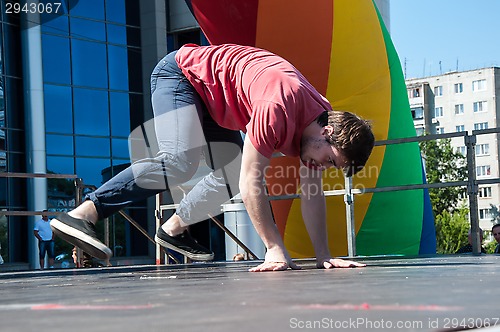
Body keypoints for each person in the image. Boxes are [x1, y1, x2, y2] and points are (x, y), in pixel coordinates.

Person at [50, 44, 375, 272]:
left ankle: (174, 228)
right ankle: (82, 213)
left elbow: (312, 192)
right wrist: (274, 247)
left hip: (219, 104)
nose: (323, 167)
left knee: (232, 171)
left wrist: (324, 256)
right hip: (180, 75)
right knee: (181, 161)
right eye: (331, 160)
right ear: (328, 133)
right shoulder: (279, 106)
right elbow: (253, 183)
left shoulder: (319, 121)